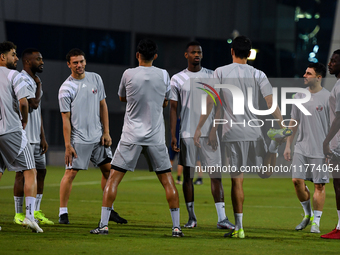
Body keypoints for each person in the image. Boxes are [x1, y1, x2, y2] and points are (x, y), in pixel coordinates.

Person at [194, 36, 289, 238]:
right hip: (254, 130)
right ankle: (273, 145)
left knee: (237, 181)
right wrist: (282, 124)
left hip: (232, 133)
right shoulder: (259, 74)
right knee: (265, 173)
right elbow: (271, 103)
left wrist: (200, 127)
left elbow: (211, 103)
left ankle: (239, 228)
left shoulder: (220, 72)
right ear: (250, 53)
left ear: (232, 51)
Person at [90, 39, 183, 237]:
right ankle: (176, 228)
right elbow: (166, 102)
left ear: (137, 55)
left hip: (131, 135)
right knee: (168, 181)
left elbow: (122, 97)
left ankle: (104, 225)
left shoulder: (128, 73)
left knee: (113, 180)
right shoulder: (164, 74)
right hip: (156, 136)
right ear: (155, 56)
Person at [170, 41, 234, 229]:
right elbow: (173, 109)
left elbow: (219, 106)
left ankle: (222, 218)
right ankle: (191, 217)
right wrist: (173, 135)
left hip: (209, 135)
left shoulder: (211, 76)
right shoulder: (177, 79)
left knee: (216, 176)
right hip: (187, 133)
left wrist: (214, 130)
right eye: (193, 52)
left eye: (199, 52)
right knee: (188, 176)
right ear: (186, 55)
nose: (197, 55)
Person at [58, 48, 127, 224]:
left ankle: (109, 210)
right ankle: (63, 212)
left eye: (81, 61)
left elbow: (103, 106)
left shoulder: (95, 78)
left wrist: (106, 132)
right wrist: (68, 145)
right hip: (79, 139)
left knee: (109, 172)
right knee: (71, 173)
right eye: (75, 62)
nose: (79, 65)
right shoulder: (66, 88)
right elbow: (65, 119)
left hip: (98, 138)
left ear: (85, 61)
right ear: (69, 65)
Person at [0, 41, 42, 233]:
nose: (16, 58)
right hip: (11, 130)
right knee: (30, 170)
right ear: (3, 57)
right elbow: (25, 103)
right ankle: (30, 217)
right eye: (13, 54)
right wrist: (24, 120)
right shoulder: (14, 75)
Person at [284, 63, 329, 233]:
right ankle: (307, 215)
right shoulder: (298, 96)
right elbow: (293, 123)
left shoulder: (328, 97)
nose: (305, 75)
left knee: (319, 185)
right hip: (301, 147)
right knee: (296, 181)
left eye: (308, 73)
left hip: (320, 149)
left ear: (318, 77)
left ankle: (316, 222)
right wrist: (288, 145)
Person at [12, 48, 53, 225]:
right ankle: (18, 213)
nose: (42, 62)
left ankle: (35, 211)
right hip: (24, 135)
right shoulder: (21, 79)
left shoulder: (36, 80)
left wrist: (43, 136)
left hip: (36, 136)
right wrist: (39, 86)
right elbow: (33, 104)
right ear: (28, 62)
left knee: (41, 172)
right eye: (38, 59)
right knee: (22, 174)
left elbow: (38, 112)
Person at [322, 49, 340, 239]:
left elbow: (339, 118)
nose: (330, 63)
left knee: (339, 184)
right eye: (330, 60)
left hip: (338, 143)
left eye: (334, 61)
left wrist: (327, 140)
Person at [169, 117, 183, 185]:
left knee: (171, 161)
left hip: (173, 142)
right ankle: (178, 178)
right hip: (181, 143)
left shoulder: (175, 121)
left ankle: (168, 178)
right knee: (180, 162)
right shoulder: (185, 123)